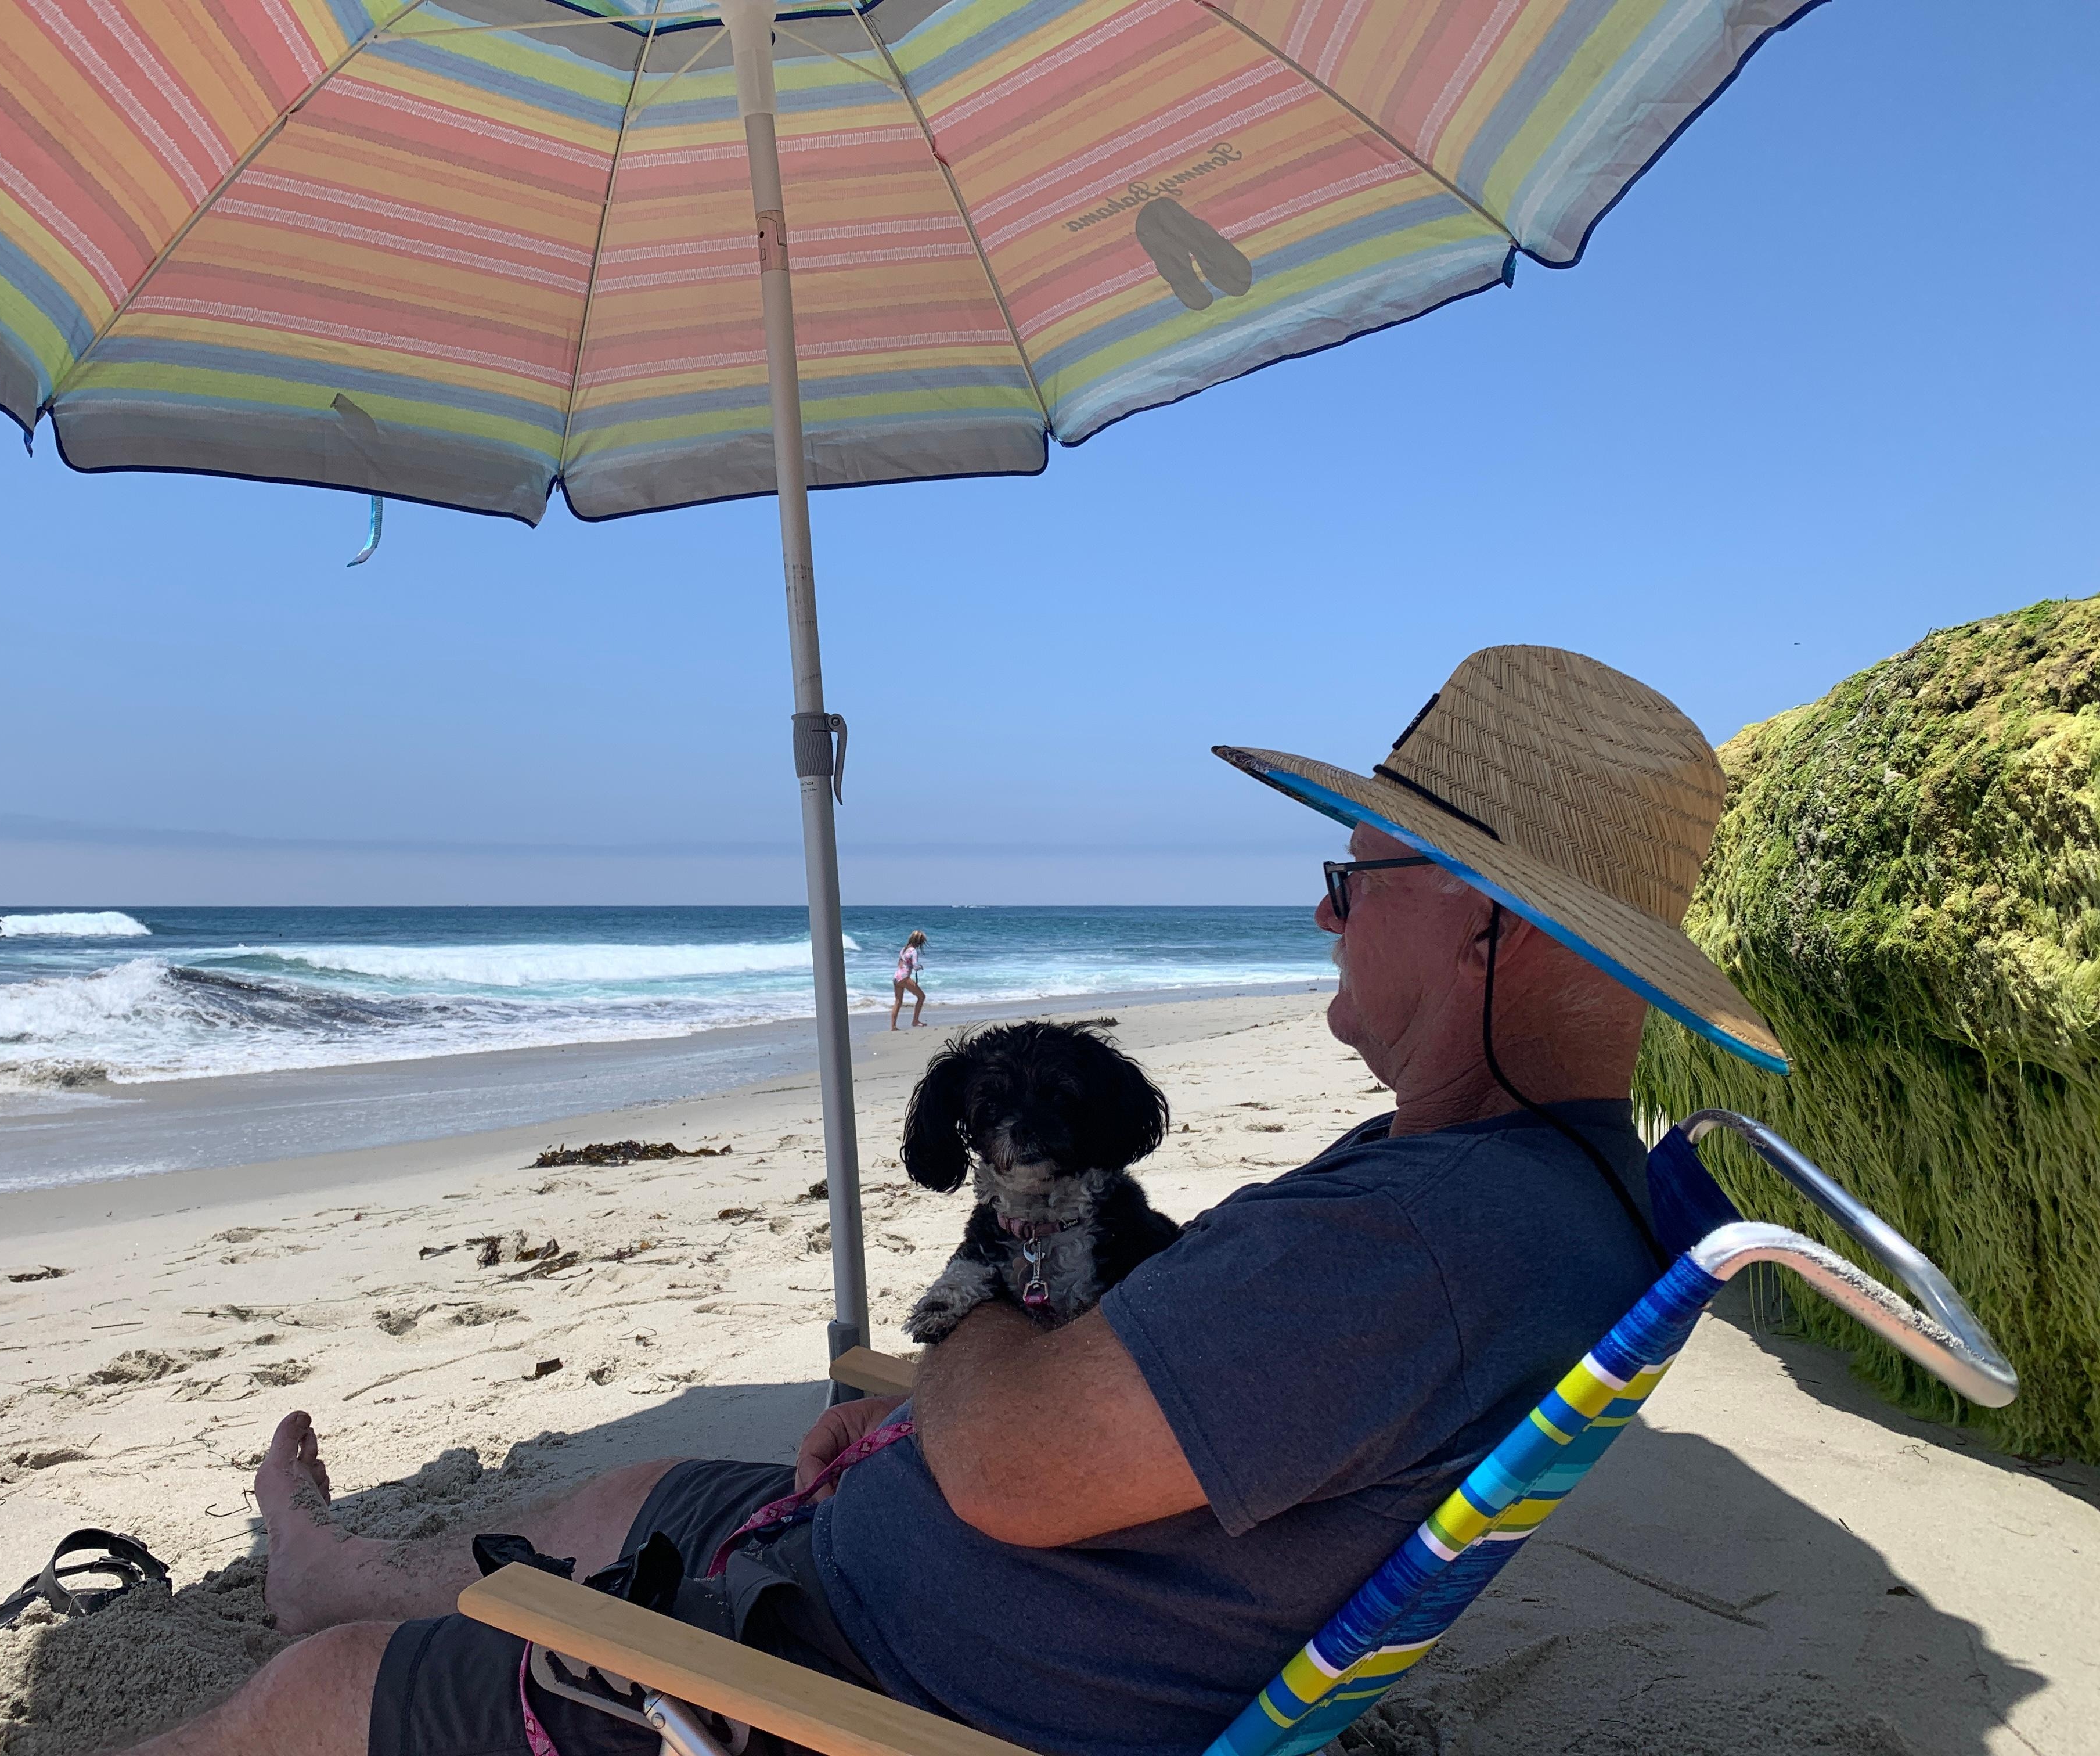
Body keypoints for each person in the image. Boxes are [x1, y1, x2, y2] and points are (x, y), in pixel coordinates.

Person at [110, 646, 1785, 1756]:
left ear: (1489, 921)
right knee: (626, 1494)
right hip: (910, 1575)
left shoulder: (1425, 1243)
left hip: (851, 1690)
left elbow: (1015, 1459)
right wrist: (923, 1426)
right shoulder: (1521, 1192)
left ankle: (326, 1633)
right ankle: (327, 1566)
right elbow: (1138, 1423)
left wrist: (968, 1330)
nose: (1326, 913)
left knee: (314, 1711)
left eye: (1355, 875)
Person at [890, 930, 927, 1030]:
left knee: (898, 1002)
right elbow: (915, 966)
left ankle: (893, 1026)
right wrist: (920, 967)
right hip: (904, 978)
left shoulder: (904, 949)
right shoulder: (914, 951)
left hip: (896, 977)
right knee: (922, 997)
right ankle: (915, 1021)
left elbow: (900, 963)